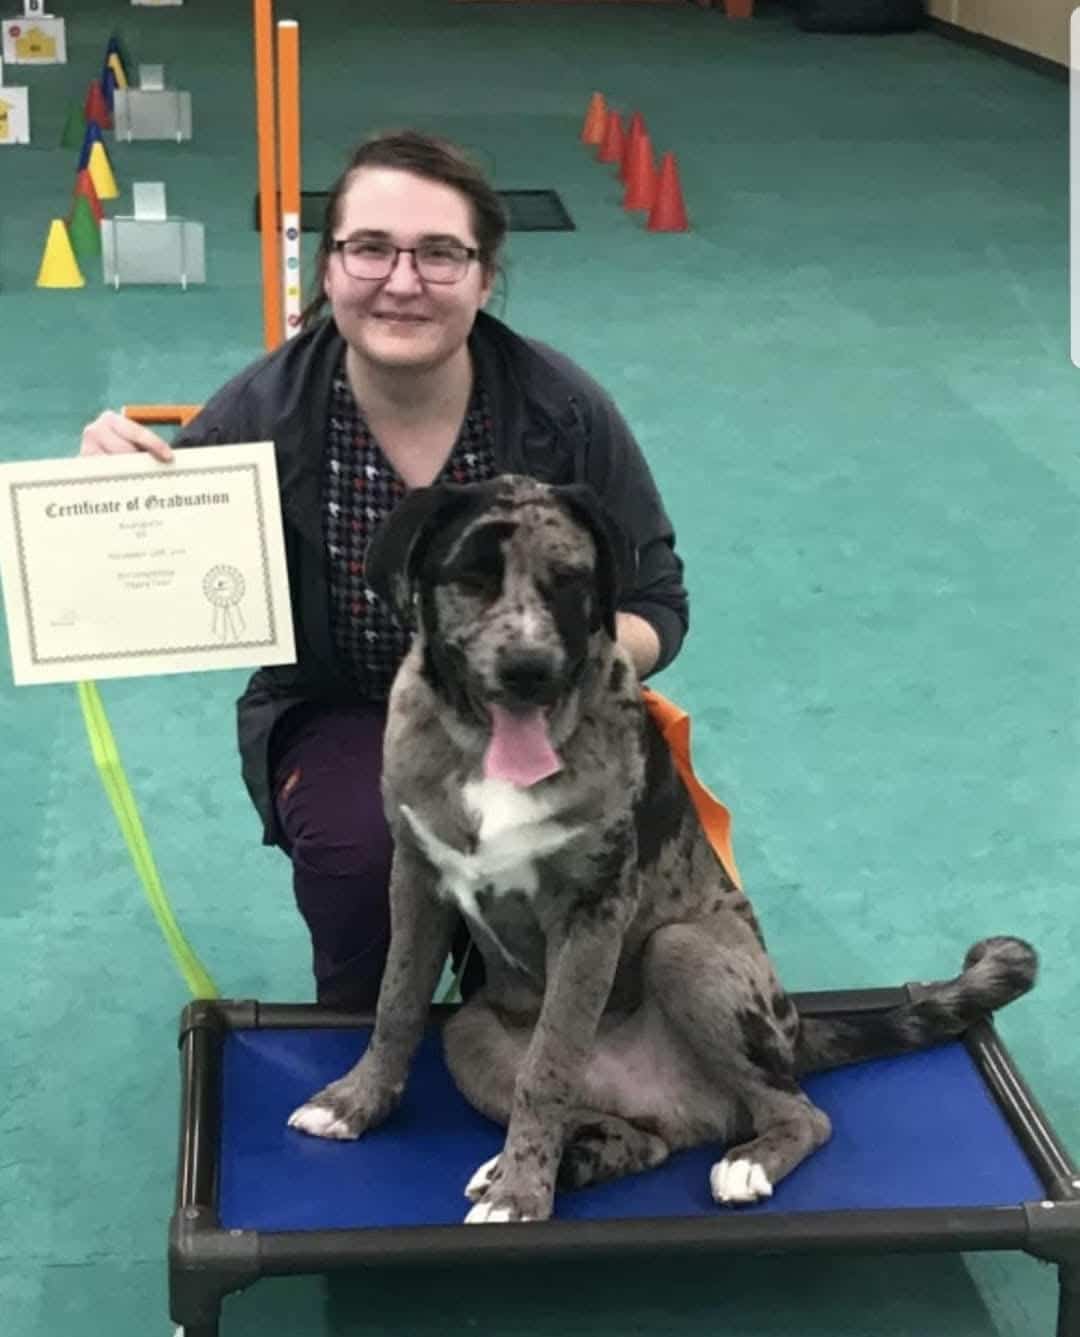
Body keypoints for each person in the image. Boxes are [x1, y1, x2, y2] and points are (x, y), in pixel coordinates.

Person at [79, 129, 689, 1011]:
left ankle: (506, 995)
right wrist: (100, 499)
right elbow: (149, 570)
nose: (402, 282)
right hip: (340, 703)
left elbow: (656, 600)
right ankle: (358, 1026)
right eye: (369, 248)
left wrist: (561, 679)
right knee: (365, 850)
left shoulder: (565, 414)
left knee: (548, 902)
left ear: (485, 277)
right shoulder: (263, 411)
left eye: (441, 255)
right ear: (326, 270)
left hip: (546, 708)